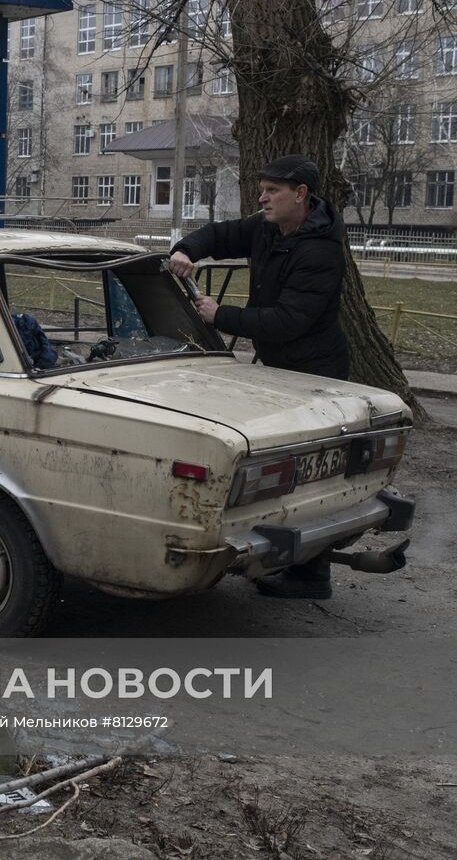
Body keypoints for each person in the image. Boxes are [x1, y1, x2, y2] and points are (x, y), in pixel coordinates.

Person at [169, 153, 348, 599]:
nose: (262, 198)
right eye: (262, 189)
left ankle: (311, 575)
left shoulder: (321, 251)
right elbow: (220, 234)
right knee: (284, 465)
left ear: (301, 195)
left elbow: (289, 320)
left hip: (315, 370)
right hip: (281, 366)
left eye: (272, 191)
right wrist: (186, 249)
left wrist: (220, 314)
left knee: (309, 469)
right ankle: (291, 562)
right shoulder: (268, 227)